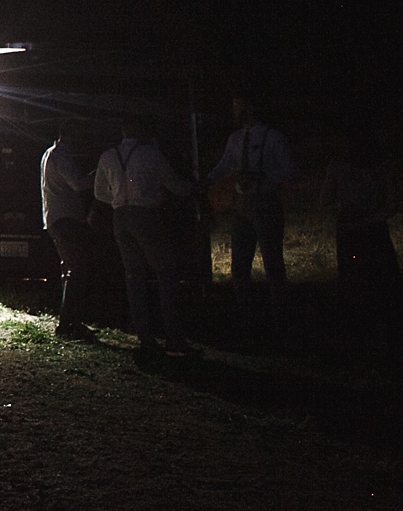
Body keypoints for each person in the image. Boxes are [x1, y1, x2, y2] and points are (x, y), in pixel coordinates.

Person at [95, 117, 194, 356]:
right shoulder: (151, 154)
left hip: (120, 217)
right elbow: (173, 185)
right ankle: (173, 335)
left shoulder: (107, 156)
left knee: (134, 277)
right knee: (166, 273)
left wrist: (119, 201)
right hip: (146, 216)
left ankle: (145, 337)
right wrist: (193, 187)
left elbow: (100, 193)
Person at [206, 94, 297, 328]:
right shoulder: (236, 139)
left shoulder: (273, 137)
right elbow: (224, 165)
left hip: (265, 200)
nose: (235, 111)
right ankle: (247, 316)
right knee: (240, 263)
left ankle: (280, 317)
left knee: (272, 262)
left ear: (251, 107)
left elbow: (290, 170)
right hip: (242, 203)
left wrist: (262, 176)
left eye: (238, 106)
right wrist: (205, 180)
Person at [322, 127, 399, 351]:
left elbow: (325, 201)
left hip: (358, 231)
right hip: (366, 230)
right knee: (371, 282)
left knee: (362, 281)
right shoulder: (372, 167)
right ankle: (371, 333)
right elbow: (391, 204)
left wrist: (348, 215)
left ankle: (364, 333)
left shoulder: (341, 167)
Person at [40, 121, 98, 339]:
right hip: (66, 218)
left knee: (71, 270)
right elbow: (78, 184)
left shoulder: (48, 154)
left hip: (55, 217)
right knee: (78, 270)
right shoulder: (62, 156)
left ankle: (70, 321)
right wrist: (98, 174)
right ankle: (67, 324)